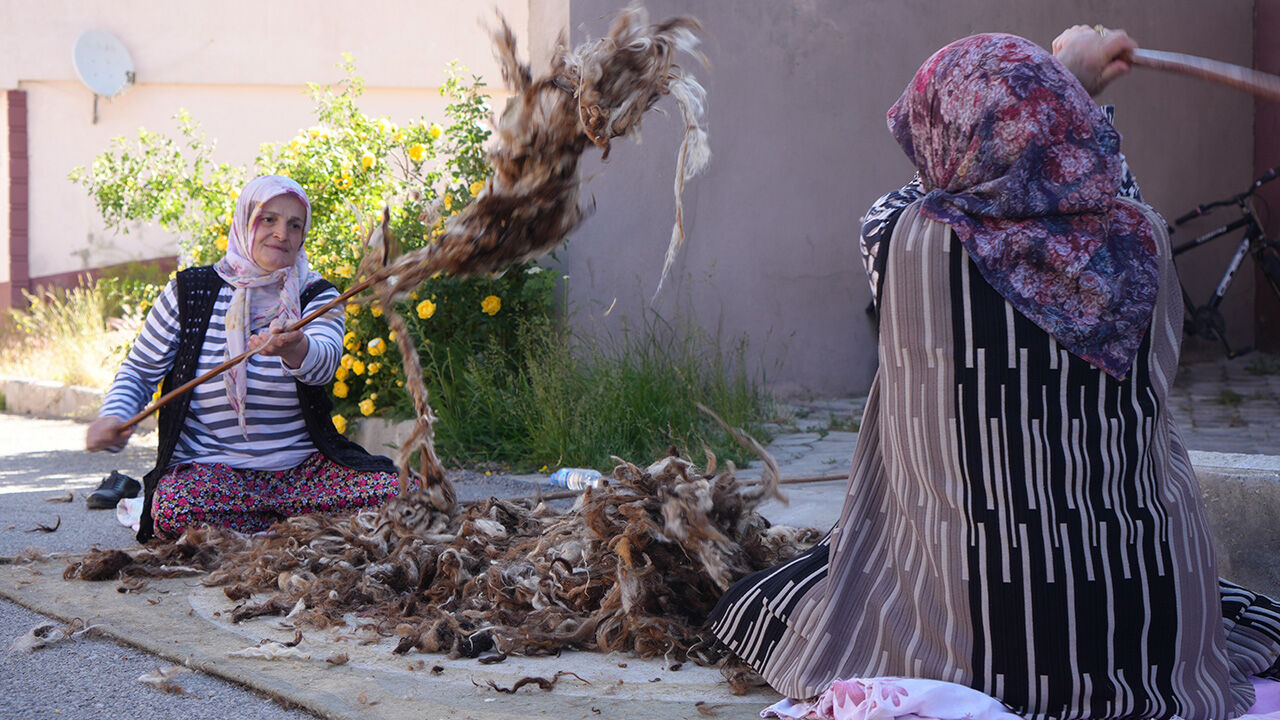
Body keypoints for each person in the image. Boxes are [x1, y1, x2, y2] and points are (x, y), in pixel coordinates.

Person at [708, 30, 1280, 719]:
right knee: (1236, 607)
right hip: (1144, 627)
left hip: (969, 630)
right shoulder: (1147, 240)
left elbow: (949, 186)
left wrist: (1068, 75)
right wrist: (1069, 93)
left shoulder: (904, 243)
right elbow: (1097, 182)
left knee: (773, 599)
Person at [86, 175, 411, 542]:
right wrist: (114, 416)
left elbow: (323, 364)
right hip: (211, 472)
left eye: (294, 225)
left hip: (304, 473)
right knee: (177, 508)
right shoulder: (188, 292)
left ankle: (268, 528)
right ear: (244, 221)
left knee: (402, 496)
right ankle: (299, 531)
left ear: (303, 236)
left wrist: (295, 348)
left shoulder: (316, 295)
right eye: (268, 219)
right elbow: (140, 373)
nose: (281, 234)